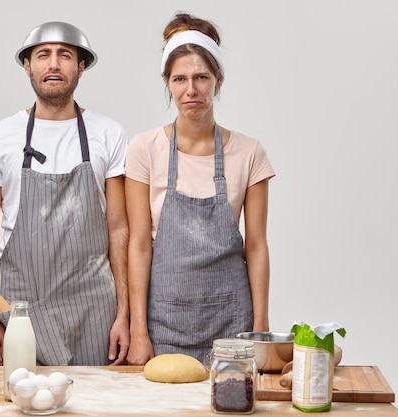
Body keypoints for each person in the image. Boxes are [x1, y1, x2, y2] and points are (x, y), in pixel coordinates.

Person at [0, 21, 129, 366]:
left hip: (95, 312)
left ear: (81, 67)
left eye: (65, 55)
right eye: (43, 55)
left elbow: (119, 230)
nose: (54, 64)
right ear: (28, 66)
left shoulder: (109, 133)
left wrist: (124, 315)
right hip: (22, 313)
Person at [125, 13, 275, 365]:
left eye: (201, 77)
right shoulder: (144, 149)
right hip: (164, 323)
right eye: (179, 79)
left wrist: (261, 329)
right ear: (167, 83)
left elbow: (255, 246)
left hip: (232, 322)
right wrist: (138, 332)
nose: (190, 89)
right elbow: (139, 244)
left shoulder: (249, 152)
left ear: (218, 81)